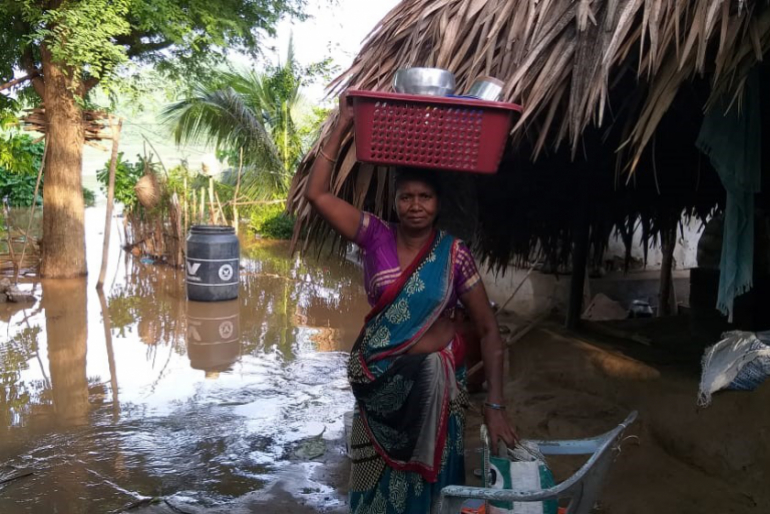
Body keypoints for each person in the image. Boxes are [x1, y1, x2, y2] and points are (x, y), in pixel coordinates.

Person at [305, 92, 518, 514]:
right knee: (376, 485)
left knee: (434, 490)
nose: (415, 206)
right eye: (406, 197)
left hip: (436, 395)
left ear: (438, 205)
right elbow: (317, 194)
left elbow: (489, 330)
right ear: (395, 202)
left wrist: (495, 407)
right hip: (379, 387)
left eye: (425, 197)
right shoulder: (375, 236)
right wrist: (343, 124)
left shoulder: (453, 254)